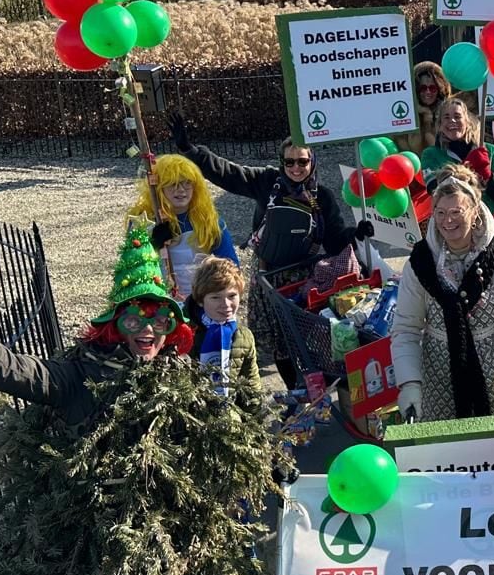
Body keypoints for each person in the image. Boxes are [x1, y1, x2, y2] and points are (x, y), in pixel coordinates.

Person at [0, 220, 195, 428]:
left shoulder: (179, 378)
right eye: (134, 320)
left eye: (160, 321)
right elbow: (13, 370)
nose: (148, 330)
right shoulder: (77, 376)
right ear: (115, 326)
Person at [391, 165, 494, 422]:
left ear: (475, 213)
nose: (447, 221)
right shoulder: (420, 264)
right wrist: (409, 384)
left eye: (456, 212)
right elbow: (406, 328)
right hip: (438, 379)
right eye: (440, 213)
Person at [168, 112, 367, 283]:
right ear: (282, 163)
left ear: (312, 162)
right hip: (267, 271)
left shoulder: (322, 197)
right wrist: (190, 150)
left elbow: (334, 242)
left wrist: (356, 234)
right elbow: (228, 174)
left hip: (304, 273)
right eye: (289, 162)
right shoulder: (268, 181)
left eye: (302, 161)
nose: (296, 168)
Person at [128, 154, 238, 302]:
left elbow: (231, 267)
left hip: (202, 302)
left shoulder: (210, 222)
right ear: (159, 187)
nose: (180, 190)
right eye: (173, 183)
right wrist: (151, 246)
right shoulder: (143, 221)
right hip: (159, 302)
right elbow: (130, 265)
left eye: (187, 183)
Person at [418, 96, 494, 208]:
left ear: (467, 121)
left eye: (457, 116)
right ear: (440, 125)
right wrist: (466, 170)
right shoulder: (430, 154)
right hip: (450, 222)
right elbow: (434, 190)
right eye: (446, 117)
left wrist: (488, 177)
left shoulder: (490, 150)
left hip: (487, 221)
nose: (452, 121)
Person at [185, 256, 260, 397]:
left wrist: (254, 415)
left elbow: (251, 384)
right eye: (215, 297)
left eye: (232, 296)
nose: (226, 304)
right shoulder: (186, 333)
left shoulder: (243, 336)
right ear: (200, 300)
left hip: (230, 412)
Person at [398, 61, 455, 154]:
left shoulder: (449, 113)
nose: (428, 92)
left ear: (440, 90)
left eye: (433, 88)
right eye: (423, 88)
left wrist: (428, 120)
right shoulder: (406, 116)